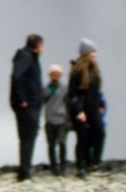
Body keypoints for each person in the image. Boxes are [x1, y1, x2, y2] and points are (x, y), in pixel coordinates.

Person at [9, 34, 44, 180]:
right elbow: (17, 77)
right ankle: (24, 171)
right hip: (27, 106)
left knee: (29, 136)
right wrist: (22, 99)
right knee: (27, 137)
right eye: (42, 45)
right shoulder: (26, 57)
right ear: (37, 46)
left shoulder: (29, 57)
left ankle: (25, 169)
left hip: (31, 104)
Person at [67, 39, 103, 178]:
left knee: (99, 131)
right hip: (80, 110)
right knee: (82, 138)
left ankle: (95, 161)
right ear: (85, 54)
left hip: (93, 107)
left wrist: (100, 105)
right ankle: (80, 167)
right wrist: (78, 111)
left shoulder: (95, 69)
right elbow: (72, 94)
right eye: (92, 52)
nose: (94, 55)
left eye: (95, 52)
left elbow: (97, 90)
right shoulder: (77, 70)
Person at [43, 64, 69, 175]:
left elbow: (68, 103)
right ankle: (54, 167)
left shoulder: (64, 89)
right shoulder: (45, 89)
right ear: (49, 75)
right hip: (49, 120)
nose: (55, 77)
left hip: (61, 119)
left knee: (62, 143)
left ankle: (63, 166)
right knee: (51, 144)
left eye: (57, 75)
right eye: (53, 74)